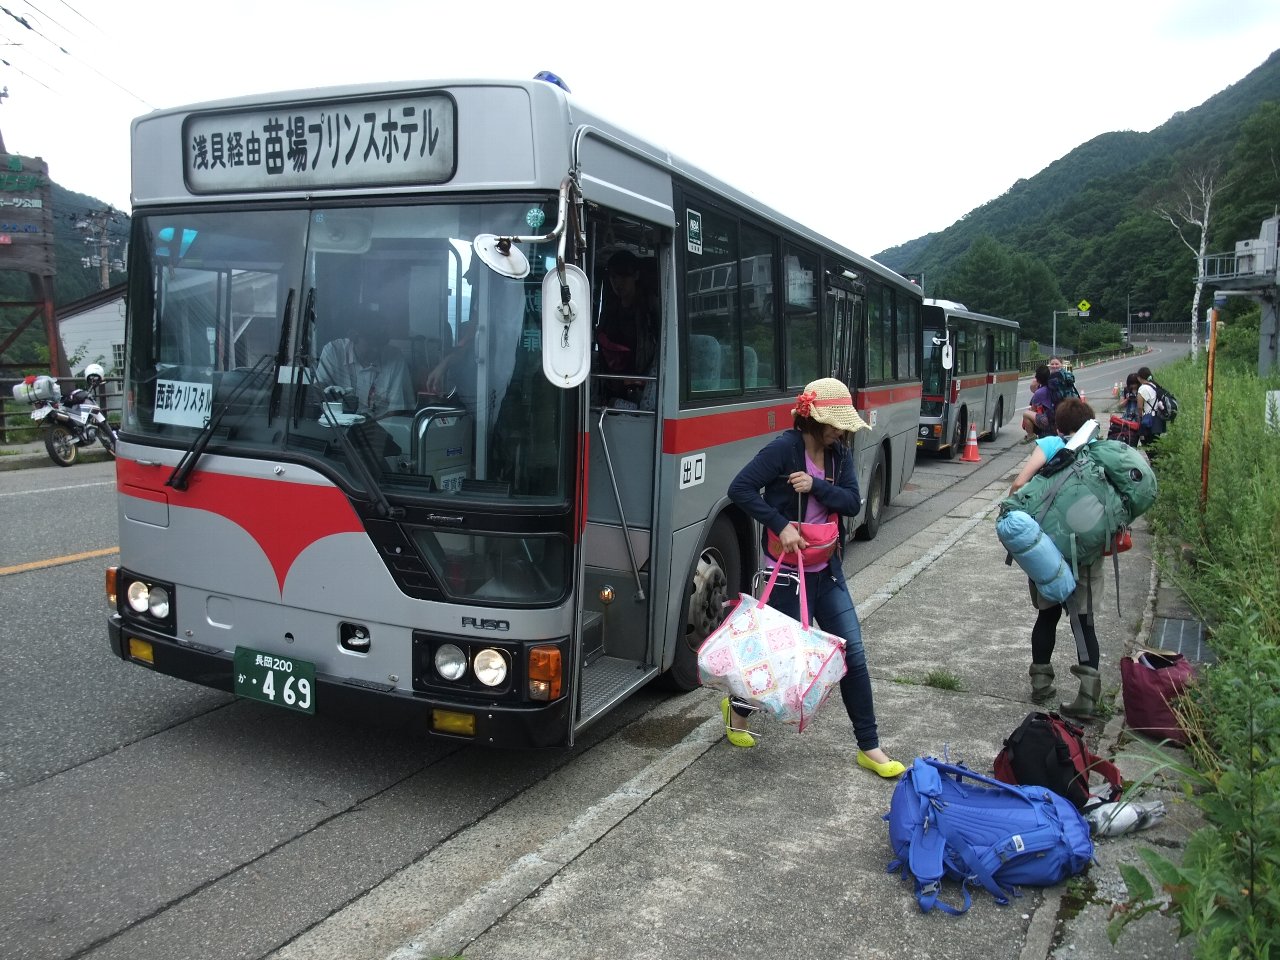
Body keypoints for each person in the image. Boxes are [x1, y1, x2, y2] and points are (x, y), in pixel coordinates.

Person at [724, 377, 905, 778]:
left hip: (826, 571)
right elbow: (741, 489)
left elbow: (852, 501)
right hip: (786, 575)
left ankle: (869, 746)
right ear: (814, 419)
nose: (841, 431)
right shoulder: (783, 449)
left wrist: (817, 486)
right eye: (835, 423)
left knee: (853, 653)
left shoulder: (837, 455)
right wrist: (780, 525)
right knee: (772, 657)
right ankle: (737, 711)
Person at [1009, 396, 1105, 719]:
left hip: (1049, 550)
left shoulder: (1050, 444)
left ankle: (1041, 685)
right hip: (1087, 552)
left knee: (1046, 617)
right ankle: (1088, 699)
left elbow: (1020, 484)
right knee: (1083, 622)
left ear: (1059, 425)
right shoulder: (1098, 451)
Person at [317, 314, 414, 417]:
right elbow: (318, 389)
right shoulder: (334, 351)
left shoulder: (395, 358)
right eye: (371, 344)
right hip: (337, 427)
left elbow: (397, 410)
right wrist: (332, 393)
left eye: (380, 344)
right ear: (353, 337)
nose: (376, 350)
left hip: (379, 427)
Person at [595, 249, 658, 409]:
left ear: (636, 276)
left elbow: (657, 353)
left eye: (624, 276)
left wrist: (639, 379)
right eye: (614, 277)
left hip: (641, 381)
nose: (618, 283)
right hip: (611, 379)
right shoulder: (610, 310)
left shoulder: (650, 310)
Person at [1020, 364, 1053, 442]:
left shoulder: (1040, 392)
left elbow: (1033, 409)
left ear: (1037, 378)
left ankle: (1030, 435)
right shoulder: (1052, 387)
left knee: (1026, 413)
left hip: (1049, 421)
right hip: (1057, 417)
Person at [1136, 366, 1163, 446]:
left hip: (1148, 420)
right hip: (1157, 419)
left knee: (1146, 443)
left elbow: (1140, 407)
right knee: (1155, 443)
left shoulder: (1143, 388)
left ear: (1139, 378)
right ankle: (1157, 458)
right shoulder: (1154, 386)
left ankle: (1153, 458)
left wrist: (1140, 418)